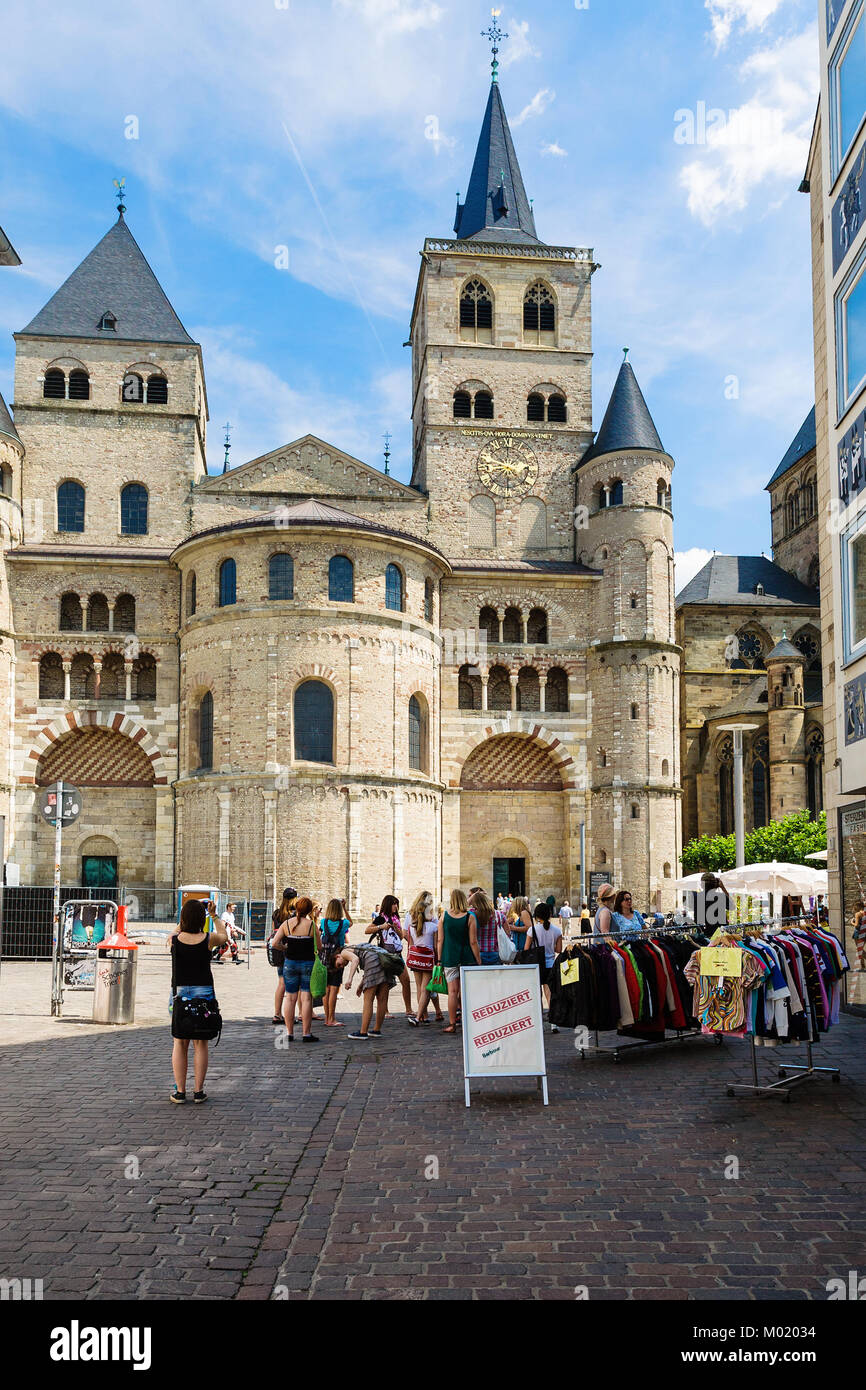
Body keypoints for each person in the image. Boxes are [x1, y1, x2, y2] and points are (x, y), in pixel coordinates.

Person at [168, 898, 227, 1104]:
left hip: (181, 993)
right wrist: (214, 915)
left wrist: (184, 920)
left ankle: (180, 1091)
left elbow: (175, 932)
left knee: (180, 1042)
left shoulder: (174, 939)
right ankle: (199, 1091)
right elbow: (224, 936)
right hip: (204, 993)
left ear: (183, 919)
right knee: (201, 1043)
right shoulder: (208, 939)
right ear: (202, 919)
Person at [271, 895, 322, 1042]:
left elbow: (274, 943)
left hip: (290, 963)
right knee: (306, 998)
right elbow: (319, 947)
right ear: (309, 910)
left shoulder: (286, 924)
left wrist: (285, 947)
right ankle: (306, 1033)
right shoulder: (312, 925)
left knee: (290, 997)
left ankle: (289, 1033)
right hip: (307, 963)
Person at [437, 888, 481, 1034]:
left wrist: (438, 959)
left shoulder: (444, 917)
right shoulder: (470, 917)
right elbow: (473, 941)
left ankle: (452, 1024)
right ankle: (468, 1021)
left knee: (452, 992)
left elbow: (440, 940)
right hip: (467, 958)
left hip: (450, 958)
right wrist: (478, 960)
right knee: (466, 992)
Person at [337, 943, 398, 1038]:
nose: (342, 966)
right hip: (385, 959)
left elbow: (355, 960)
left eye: (339, 964)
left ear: (337, 956)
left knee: (368, 1000)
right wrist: (361, 984)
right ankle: (376, 1030)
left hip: (374, 961)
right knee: (382, 1000)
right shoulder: (358, 947)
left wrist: (349, 979)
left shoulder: (344, 951)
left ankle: (363, 1032)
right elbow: (367, 967)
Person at [367, 894, 413, 1017]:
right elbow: (367, 930)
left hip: (397, 954)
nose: (396, 906)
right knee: (385, 984)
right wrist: (381, 926)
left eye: (397, 904)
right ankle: (385, 1010)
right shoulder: (381, 918)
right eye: (394, 904)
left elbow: (401, 936)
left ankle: (408, 1009)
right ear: (388, 904)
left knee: (406, 980)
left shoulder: (396, 918)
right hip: (385, 954)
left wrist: (397, 928)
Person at [405, 890, 443, 1026]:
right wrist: (439, 961)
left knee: (419, 987)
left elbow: (411, 944)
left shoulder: (412, 927)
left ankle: (422, 1015)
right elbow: (436, 945)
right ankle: (420, 1016)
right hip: (427, 959)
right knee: (425, 989)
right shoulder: (433, 927)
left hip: (415, 958)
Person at [319, 898, 352, 1027]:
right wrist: (344, 907)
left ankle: (327, 1017)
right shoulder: (343, 924)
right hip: (337, 958)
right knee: (334, 988)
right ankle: (332, 1018)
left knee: (326, 989)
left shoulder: (323, 922)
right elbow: (351, 922)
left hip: (324, 959)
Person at [532, 902, 563, 1027]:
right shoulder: (556, 930)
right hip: (551, 964)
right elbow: (559, 950)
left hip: (537, 964)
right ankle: (553, 1022)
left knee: (536, 993)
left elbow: (527, 948)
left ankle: (538, 1019)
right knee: (549, 993)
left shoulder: (532, 930)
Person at [268, 887, 296, 1025]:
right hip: (289, 950)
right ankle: (289, 1015)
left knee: (281, 983)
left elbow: (273, 931)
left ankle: (277, 1014)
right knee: (291, 986)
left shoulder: (276, 913)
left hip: (278, 951)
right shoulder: (293, 915)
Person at [468, 888, 499, 966]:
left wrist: (474, 895)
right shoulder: (498, 914)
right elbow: (508, 933)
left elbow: (461, 907)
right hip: (495, 952)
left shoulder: (471, 914)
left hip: (477, 952)